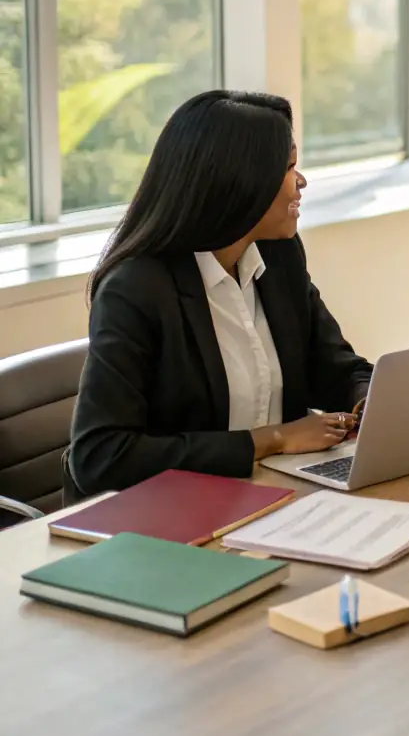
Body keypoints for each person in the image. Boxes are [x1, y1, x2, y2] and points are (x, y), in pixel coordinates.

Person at [69, 91, 374, 498]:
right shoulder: (137, 289)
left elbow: (335, 367)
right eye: (289, 167)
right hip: (172, 517)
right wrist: (273, 439)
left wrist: (369, 400)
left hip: (274, 495)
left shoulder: (278, 256)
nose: (301, 181)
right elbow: (101, 456)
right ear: (240, 183)